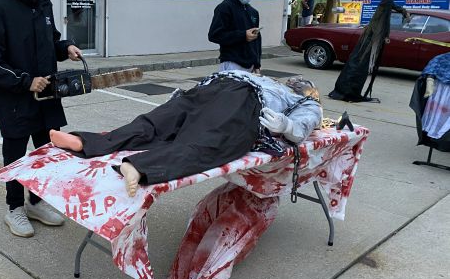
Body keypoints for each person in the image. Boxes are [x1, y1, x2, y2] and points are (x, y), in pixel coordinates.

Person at [50, 71, 322, 197]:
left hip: (218, 87)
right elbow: (301, 128)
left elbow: (302, 126)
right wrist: (286, 127)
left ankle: (85, 142)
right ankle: (132, 164)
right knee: (208, 143)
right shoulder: (294, 96)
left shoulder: (288, 91)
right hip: (238, 97)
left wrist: (287, 125)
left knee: (156, 123)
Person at [0, 0, 83, 238]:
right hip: (14, 97)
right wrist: (25, 81)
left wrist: (65, 48)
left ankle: (36, 201)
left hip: (47, 93)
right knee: (16, 154)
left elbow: (49, 39)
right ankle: (14, 208)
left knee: (46, 151)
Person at [329, 0, 409, 102]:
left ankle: (346, 89)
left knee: (359, 61)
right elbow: (385, 19)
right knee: (360, 63)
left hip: (372, 34)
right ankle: (349, 90)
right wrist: (386, 35)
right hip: (373, 35)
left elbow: (390, 9)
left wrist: (403, 11)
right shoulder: (387, 0)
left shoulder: (387, 0)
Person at [208, 0, 262, 74]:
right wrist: (243, 35)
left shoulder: (253, 12)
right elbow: (214, 35)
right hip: (232, 63)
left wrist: (257, 64)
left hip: (250, 65)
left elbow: (257, 41)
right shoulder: (224, 8)